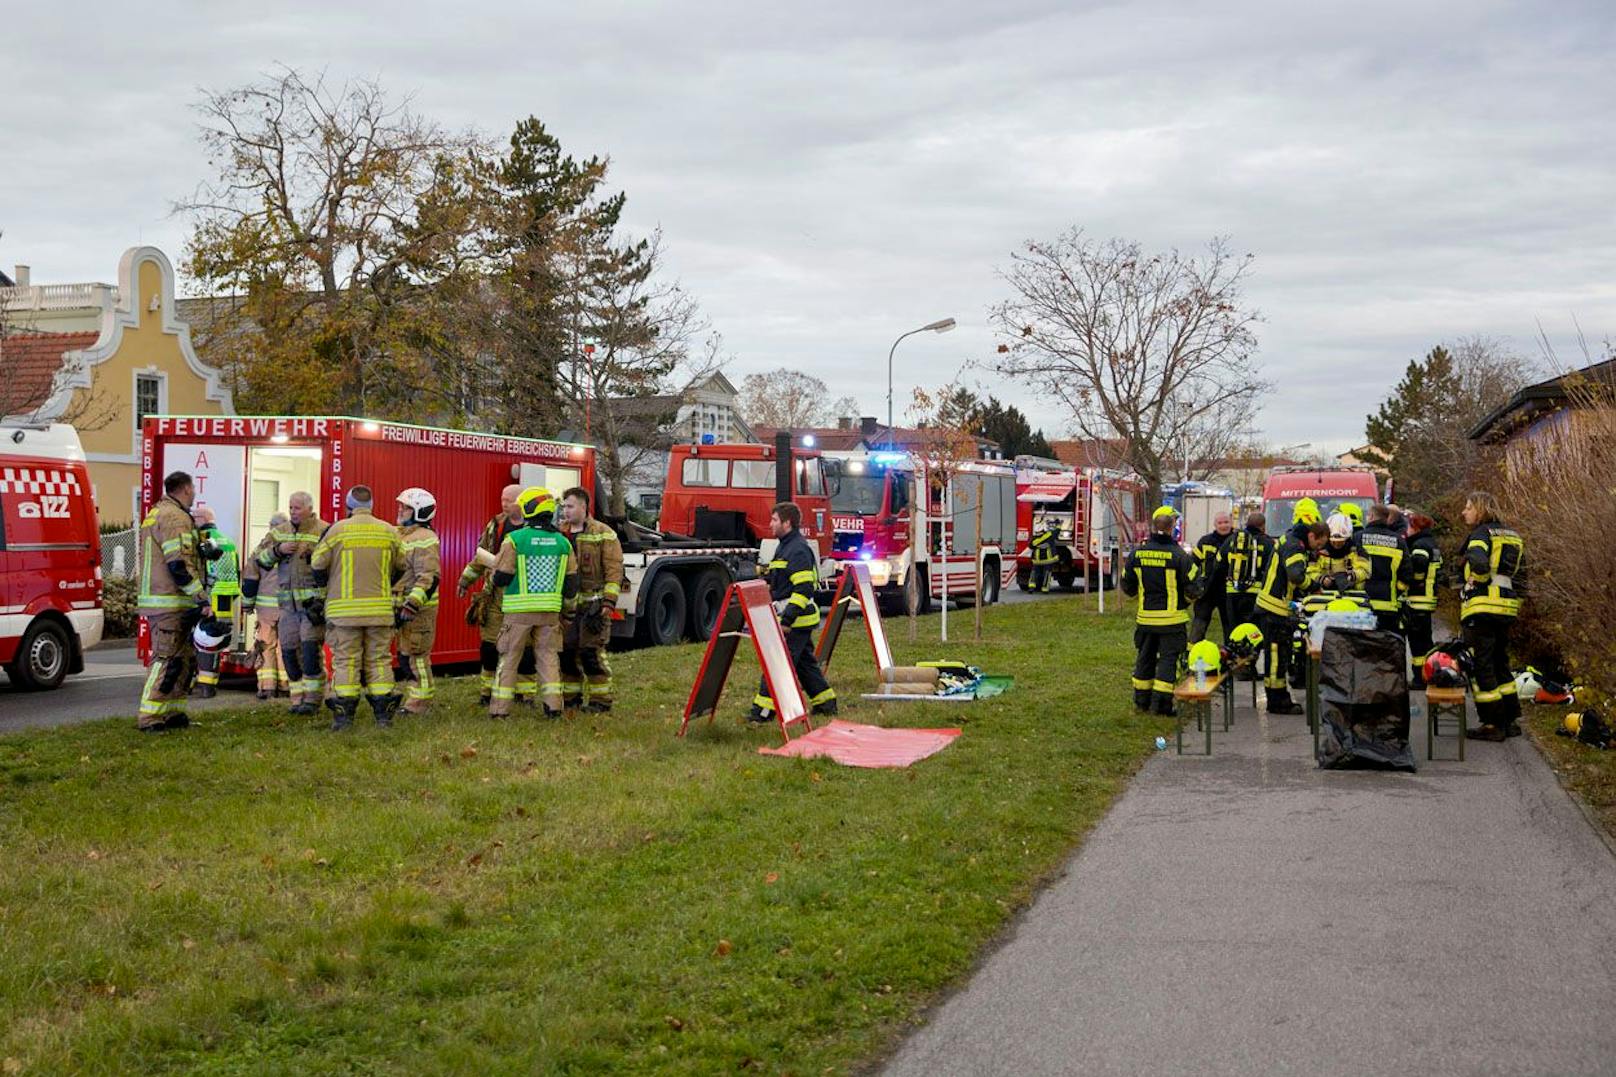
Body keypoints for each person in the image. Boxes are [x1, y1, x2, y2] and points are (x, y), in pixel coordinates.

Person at [310, 485, 405, 730]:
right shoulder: (389, 531)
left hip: (343, 613)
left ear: (348, 507)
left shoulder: (336, 531)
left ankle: (344, 718)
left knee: (345, 661)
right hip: (380, 611)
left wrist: (329, 588)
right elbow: (401, 566)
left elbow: (317, 565)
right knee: (379, 661)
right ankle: (383, 717)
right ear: (372, 506)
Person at [488, 487, 578, 719]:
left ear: (528, 510)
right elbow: (570, 586)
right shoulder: (563, 543)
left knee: (509, 659)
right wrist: (568, 613)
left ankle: (499, 711)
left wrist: (493, 570)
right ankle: (554, 708)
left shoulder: (515, 540)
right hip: (549, 613)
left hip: (518, 613)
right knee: (548, 659)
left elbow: (503, 577)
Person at [748, 502, 837, 723]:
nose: (770, 524)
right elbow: (783, 583)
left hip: (796, 620)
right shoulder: (785, 546)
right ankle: (826, 702)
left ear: (787, 523)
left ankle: (763, 711)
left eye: (775, 520)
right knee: (805, 664)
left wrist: (787, 619)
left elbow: (804, 589)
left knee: (778, 664)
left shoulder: (796, 550)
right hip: (795, 619)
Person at [135, 471, 207, 732]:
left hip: (168, 600)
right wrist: (201, 597)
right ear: (187, 488)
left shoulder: (158, 512)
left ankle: (172, 711)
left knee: (182, 659)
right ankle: (149, 715)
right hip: (170, 600)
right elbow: (178, 563)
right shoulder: (175, 517)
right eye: (193, 490)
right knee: (166, 658)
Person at [1121, 506, 1203, 716]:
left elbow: (1127, 585)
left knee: (1145, 657)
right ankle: (1162, 705)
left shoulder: (1136, 554)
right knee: (1168, 659)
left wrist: (1143, 595)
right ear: (1171, 528)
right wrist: (1183, 602)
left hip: (1145, 619)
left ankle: (1141, 701)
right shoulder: (1179, 556)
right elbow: (1196, 588)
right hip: (1172, 620)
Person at [459, 484, 536, 706]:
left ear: (520, 502)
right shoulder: (496, 525)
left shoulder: (534, 527)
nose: (503, 504)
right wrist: (466, 579)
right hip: (494, 595)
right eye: (502, 499)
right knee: (489, 646)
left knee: (525, 648)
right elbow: (481, 556)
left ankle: (525, 694)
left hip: (523, 595)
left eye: (508, 500)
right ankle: (487, 692)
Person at [1460, 490, 1526, 742]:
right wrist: (1513, 603)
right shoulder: (1513, 536)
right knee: (1500, 663)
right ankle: (1510, 720)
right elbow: (1522, 577)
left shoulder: (1480, 534)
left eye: (1468, 507)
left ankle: (1492, 724)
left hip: (1483, 607)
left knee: (1481, 665)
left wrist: (1477, 582)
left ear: (1480, 508)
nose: (1464, 512)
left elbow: (1477, 560)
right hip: (1506, 608)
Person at [256, 491, 328, 715]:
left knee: (309, 654)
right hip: (287, 608)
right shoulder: (280, 533)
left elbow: (333, 565)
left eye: (297, 508)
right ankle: (296, 700)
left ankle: (313, 701)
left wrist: (314, 554)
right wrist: (278, 551)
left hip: (311, 607)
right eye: (290, 508)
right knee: (288, 654)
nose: (293, 512)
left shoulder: (324, 530)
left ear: (309, 508)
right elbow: (260, 559)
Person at [558, 486, 624, 712]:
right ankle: (571, 699)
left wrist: (608, 601)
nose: (565, 511)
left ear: (584, 507)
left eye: (570, 506)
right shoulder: (559, 533)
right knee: (566, 654)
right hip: (567, 608)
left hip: (594, 607)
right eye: (564, 506)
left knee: (591, 654)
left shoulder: (603, 533)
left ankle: (600, 701)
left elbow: (614, 569)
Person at [1255, 519, 1329, 715]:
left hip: (1272, 605)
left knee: (1277, 655)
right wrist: (1314, 587)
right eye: (1319, 544)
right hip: (1274, 608)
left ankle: (1277, 695)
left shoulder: (1291, 538)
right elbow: (1295, 576)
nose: (1317, 549)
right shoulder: (1296, 546)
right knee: (1277, 657)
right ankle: (1277, 700)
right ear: (1312, 536)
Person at [393, 488, 442, 715]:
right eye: (401, 506)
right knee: (404, 656)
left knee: (417, 657)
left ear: (420, 512)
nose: (400, 510)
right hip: (400, 607)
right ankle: (413, 698)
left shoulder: (425, 538)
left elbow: (428, 577)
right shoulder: (400, 534)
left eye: (406, 507)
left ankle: (419, 704)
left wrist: (412, 604)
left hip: (417, 611)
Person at [190, 506, 240, 699]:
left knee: (199, 639)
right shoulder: (227, 540)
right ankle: (208, 686)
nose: (192, 521)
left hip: (208, 596)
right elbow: (235, 569)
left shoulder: (201, 539)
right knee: (215, 641)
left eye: (194, 518)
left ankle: (192, 683)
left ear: (202, 519)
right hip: (227, 596)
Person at [241, 512, 291, 700]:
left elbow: (250, 578)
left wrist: (247, 605)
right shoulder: (292, 549)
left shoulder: (261, 550)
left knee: (266, 646)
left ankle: (268, 687)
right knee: (285, 646)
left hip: (266, 608)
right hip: (288, 607)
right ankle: (286, 686)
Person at [1219, 511, 1274, 645]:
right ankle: (1253, 658)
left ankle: (1234, 658)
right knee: (1255, 631)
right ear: (1263, 526)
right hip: (1256, 595)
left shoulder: (1232, 540)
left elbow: (1219, 563)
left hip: (1233, 593)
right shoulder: (1268, 543)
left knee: (1235, 630)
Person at [1359, 503, 1412, 634]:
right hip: (1388, 606)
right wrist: (1396, 591)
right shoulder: (1398, 541)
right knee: (1386, 648)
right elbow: (1407, 574)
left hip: (1361, 604)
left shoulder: (1358, 538)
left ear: (1371, 516)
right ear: (1387, 519)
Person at [1403, 512, 1442, 686]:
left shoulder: (1419, 544)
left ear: (1416, 528)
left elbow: (1418, 564)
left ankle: (1420, 678)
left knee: (1418, 643)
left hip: (1418, 599)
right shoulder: (1431, 544)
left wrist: (1412, 578)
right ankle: (1430, 673)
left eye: (1410, 526)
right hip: (1427, 599)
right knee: (1425, 640)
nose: (1407, 530)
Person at [1188, 512, 1233, 644]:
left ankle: (1230, 653)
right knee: (1200, 622)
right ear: (1214, 525)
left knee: (1229, 624)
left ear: (1231, 523)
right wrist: (1195, 584)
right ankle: (1193, 652)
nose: (1223, 525)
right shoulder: (1206, 541)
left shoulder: (1237, 541)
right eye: (1220, 523)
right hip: (1207, 589)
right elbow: (1193, 563)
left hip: (1228, 590)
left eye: (1226, 522)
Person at [1313, 513, 1368, 594]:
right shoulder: (1319, 553)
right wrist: (1322, 579)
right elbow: (1310, 572)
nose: (1337, 544)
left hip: (1352, 596)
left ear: (1348, 538)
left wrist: (1352, 576)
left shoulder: (1357, 551)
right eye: (1333, 541)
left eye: (1340, 541)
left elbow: (1365, 570)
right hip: (1324, 596)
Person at [1027, 515, 1059, 593]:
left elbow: (1030, 546)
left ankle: (1031, 587)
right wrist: (1058, 524)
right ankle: (1045, 589)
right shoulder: (1049, 536)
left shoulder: (1034, 539)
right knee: (1047, 574)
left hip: (1037, 560)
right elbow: (1057, 531)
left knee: (1034, 573)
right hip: (1048, 560)